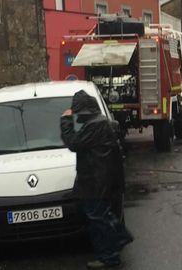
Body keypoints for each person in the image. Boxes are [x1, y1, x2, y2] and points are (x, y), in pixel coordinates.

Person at [60, 90, 133, 269]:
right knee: (99, 217)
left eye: (76, 111)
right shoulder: (98, 122)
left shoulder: (95, 125)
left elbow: (73, 143)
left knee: (98, 217)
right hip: (98, 180)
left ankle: (115, 245)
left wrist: (66, 121)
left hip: (97, 182)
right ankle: (111, 252)